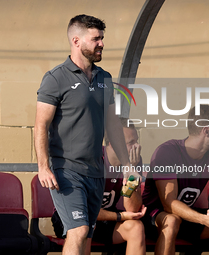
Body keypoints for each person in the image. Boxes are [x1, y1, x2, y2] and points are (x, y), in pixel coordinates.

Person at [34, 14, 136, 255]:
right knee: (77, 231)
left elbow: (113, 125)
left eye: (102, 38)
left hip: (95, 172)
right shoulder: (55, 78)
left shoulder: (105, 79)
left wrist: (127, 164)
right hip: (66, 170)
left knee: (86, 238)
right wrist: (43, 166)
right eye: (96, 39)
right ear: (76, 41)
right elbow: (41, 125)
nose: (101, 43)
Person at [142, 105, 209, 255]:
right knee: (172, 221)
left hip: (188, 216)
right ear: (206, 131)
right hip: (155, 216)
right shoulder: (167, 151)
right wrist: (203, 219)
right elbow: (169, 204)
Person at [52, 118, 147, 255]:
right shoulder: (90, 159)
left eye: (136, 141)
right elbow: (85, 211)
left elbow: (132, 208)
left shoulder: (133, 160)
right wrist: (120, 216)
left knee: (136, 227)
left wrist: (131, 172)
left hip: (107, 218)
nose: (137, 146)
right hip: (72, 218)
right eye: (131, 143)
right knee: (87, 224)